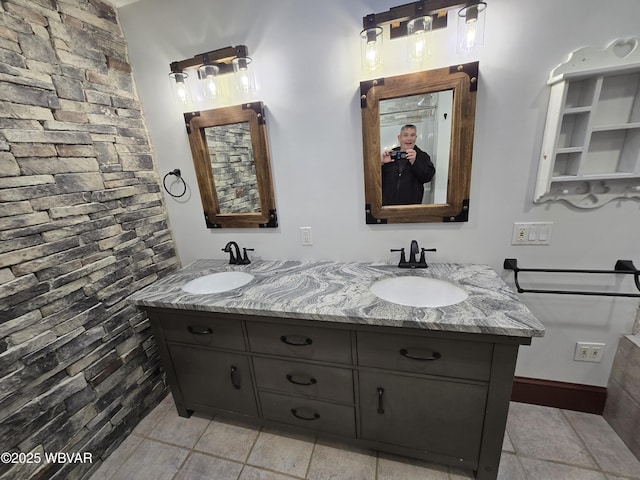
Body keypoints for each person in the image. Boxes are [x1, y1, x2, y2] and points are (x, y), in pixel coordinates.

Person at [381, 124, 435, 205]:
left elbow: (427, 177)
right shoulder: (390, 154)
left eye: (412, 135)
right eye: (405, 135)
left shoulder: (422, 156)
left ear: (416, 138)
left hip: (411, 209)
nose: (409, 138)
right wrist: (381, 164)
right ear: (399, 138)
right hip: (388, 207)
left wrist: (415, 162)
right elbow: (377, 180)